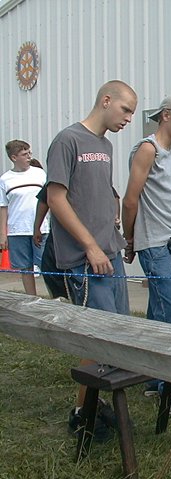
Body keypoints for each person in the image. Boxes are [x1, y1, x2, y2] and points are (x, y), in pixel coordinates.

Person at [45, 80, 137, 436]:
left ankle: (96, 407)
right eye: (125, 109)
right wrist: (90, 246)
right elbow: (56, 199)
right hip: (85, 260)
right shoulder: (68, 140)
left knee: (117, 337)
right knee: (97, 341)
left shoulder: (106, 145)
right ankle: (82, 416)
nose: (129, 117)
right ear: (106, 100)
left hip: (110, 254)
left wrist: (113, 238)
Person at [121, 95, 171, 417]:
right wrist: (129, 238)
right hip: (152, 242)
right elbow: (130, 199)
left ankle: (152, 376)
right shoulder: (147, 149)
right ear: (166, 116)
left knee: (158, 311)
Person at [0, 140, 48, 295]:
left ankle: (55, 297)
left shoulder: (39, 173)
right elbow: (3, 207)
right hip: (17, 230)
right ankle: (31, 298)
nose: (29, 157)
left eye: (29, 153)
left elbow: (50, 199)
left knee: (46, 265)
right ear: (14, 158)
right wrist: (3, 234)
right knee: (25, 266)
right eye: (24, 154)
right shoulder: (5, 179)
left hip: (41, 228)